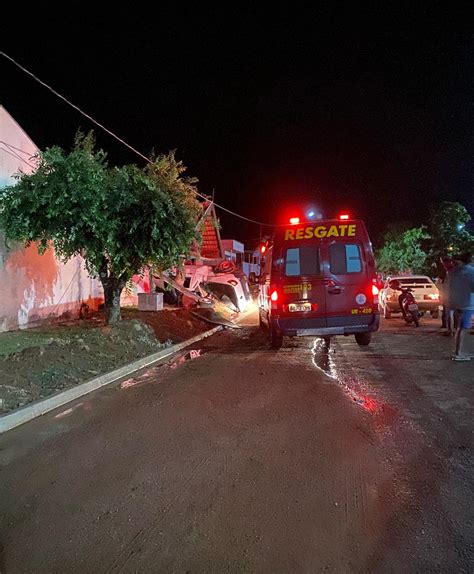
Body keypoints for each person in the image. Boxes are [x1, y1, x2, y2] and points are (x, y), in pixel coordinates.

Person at [445, 252, 474, 361]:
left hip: (456, 302)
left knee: (460, 327)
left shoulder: (453, 272)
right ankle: (459, 353)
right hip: (467, 303)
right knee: (462, 328)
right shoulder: (471, 271)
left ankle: (460, 352)